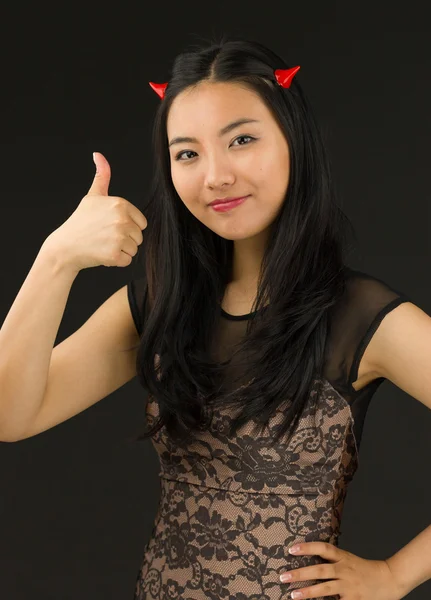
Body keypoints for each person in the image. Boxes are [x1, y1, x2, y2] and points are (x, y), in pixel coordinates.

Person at [0, 35, 430, 599]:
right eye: (187, 153)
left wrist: (396, 575)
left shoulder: (360, 317)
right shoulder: (161, 304)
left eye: (242, 140)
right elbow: (10, 415)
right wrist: (56, 259)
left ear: (294, 142)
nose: (215, 176)